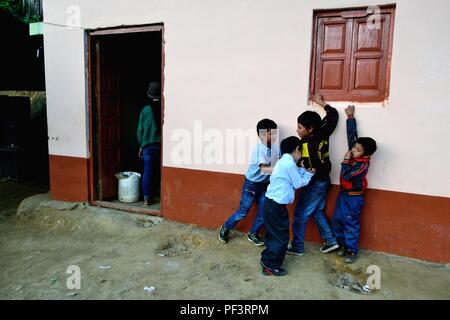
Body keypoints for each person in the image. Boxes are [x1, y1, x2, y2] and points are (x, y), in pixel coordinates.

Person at [289, 93, 339, 255]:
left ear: (310, 129)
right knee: (316, 210)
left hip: (315, 182)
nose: (297, 130)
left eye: (300, 127)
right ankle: (331, 241)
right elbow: (333, 116)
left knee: (300, 214)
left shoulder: (304, 146)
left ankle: (297, 247)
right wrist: (322, 104)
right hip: (325, 180)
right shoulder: (323, 132)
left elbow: (306, 167)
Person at [219, 119, 279, 246]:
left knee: (263, 212)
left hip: (265, 185)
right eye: (271, 133)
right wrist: (282, 170)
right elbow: (264, 169)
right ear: (261, 135)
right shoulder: (259, 149)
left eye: (275, 133)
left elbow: (281, 159)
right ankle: (225, 227)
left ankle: (253, 233)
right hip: (252, 184)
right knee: (243, 211)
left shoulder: (275, 148)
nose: (274, 136)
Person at [260, 136, 315, 276]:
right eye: (300, 152)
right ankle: (271, 267)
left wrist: (303, 171)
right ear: (297, 149)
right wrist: (308, 174)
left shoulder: (283, 162)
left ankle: (267, 260)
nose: (300, 156)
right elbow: (298, 183)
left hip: (271, 205)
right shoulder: (289, 164)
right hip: (276, 207)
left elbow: (294, 177)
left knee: (273, 235)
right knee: (281, 237)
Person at [330, 105, 377, 263]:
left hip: (353, 199)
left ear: (366, 154)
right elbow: (352, 136)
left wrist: (345, 160)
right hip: (343, 195)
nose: (353, 150)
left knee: (351, 222)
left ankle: (351, 250)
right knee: (337, 219)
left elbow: (347, 175)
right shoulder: (355, 153)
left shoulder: (362, 165)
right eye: (354, 148)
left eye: (357, 149)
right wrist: (350, 117)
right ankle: (342, 243)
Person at [137, 82, 161, 206]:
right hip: (161, 147)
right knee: (160, 171)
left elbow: (140, 130)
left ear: (148, 94)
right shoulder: (162, 108)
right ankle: (159, 194)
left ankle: (147, 199)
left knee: (147, 172)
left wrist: (141, 145)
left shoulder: (145, 111)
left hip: (148, 147)